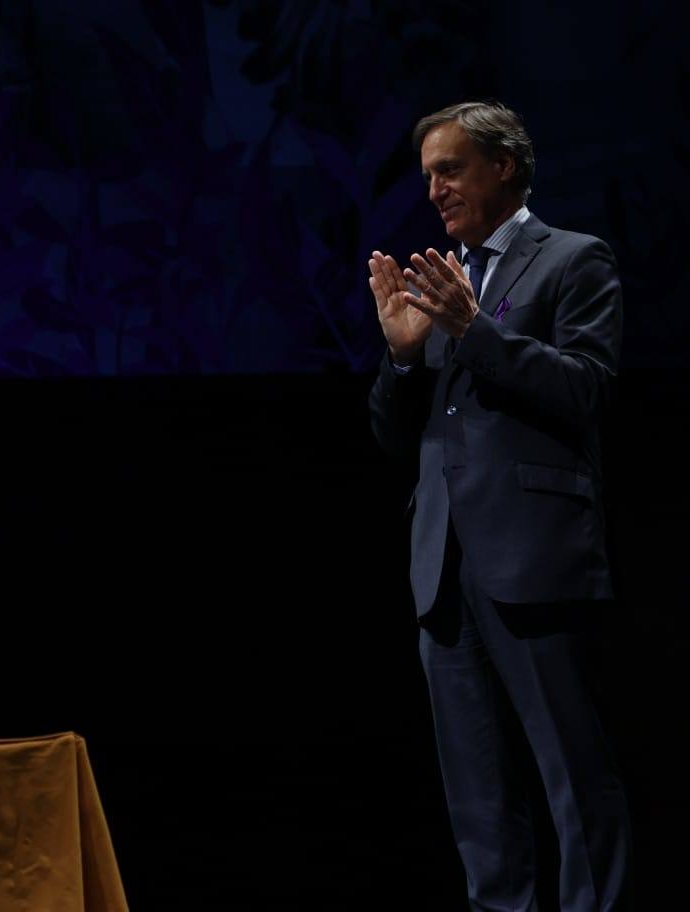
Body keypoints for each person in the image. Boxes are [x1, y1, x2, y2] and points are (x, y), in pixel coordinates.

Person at [367, 102, 630, 910]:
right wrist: (404, 359)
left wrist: (474, 331)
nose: (436, 189)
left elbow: (584, 388)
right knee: (478, 795)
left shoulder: (573, 260)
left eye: (451, 169)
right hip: (442, 568)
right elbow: (393, 435)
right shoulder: (441, 282)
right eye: (428, 177)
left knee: (571, 777)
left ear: (504, 166)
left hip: (534, 555)